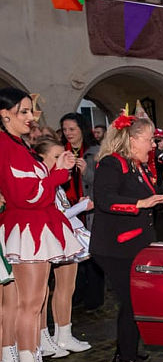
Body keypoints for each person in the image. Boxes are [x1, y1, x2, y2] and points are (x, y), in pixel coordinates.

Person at [0, 87, 81, 362]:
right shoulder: (7, 146)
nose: (30, 117)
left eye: (29, 111)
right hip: (27, 227)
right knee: (29, 305)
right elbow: (28, 195)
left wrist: (57, 172)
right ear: (4, 114)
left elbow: (36, 187)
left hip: (34, 225)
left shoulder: (17, 144)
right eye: (23, 111)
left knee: (34, 304)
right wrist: (58, 173)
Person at [91, 114, 163, 362]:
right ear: (133, 139)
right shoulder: (112, 163)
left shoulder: (137, 165)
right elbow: (105, 200)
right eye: (149, 139)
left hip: (134, 245)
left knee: (130, 302)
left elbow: (153, 197)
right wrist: (140, 203)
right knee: (133, 304)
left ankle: (122, 351)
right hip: (115, 248)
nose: (152, 145)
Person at [34, 136, 92, 358]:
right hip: (53, 235)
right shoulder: (44, 181)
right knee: (43, 291)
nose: (62, 161)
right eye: (56, 157)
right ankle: (43, 339)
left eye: (64, 155)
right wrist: (82, 206)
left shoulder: (56, 182)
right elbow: (57, 214)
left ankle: (63, 334)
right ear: (41, 159)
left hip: (66, 234)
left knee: (67, 287)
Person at [60, 112, 105, 311]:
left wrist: (86, 171)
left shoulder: (96, 151)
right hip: (70, 210)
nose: (68, 133)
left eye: (72, 129)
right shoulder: (62, 152)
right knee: (73, 255)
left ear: (82, 129)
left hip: (90, 210)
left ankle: (94, 298)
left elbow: (103, 184)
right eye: (65, 130)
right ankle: (77, 294)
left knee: (92, 254)